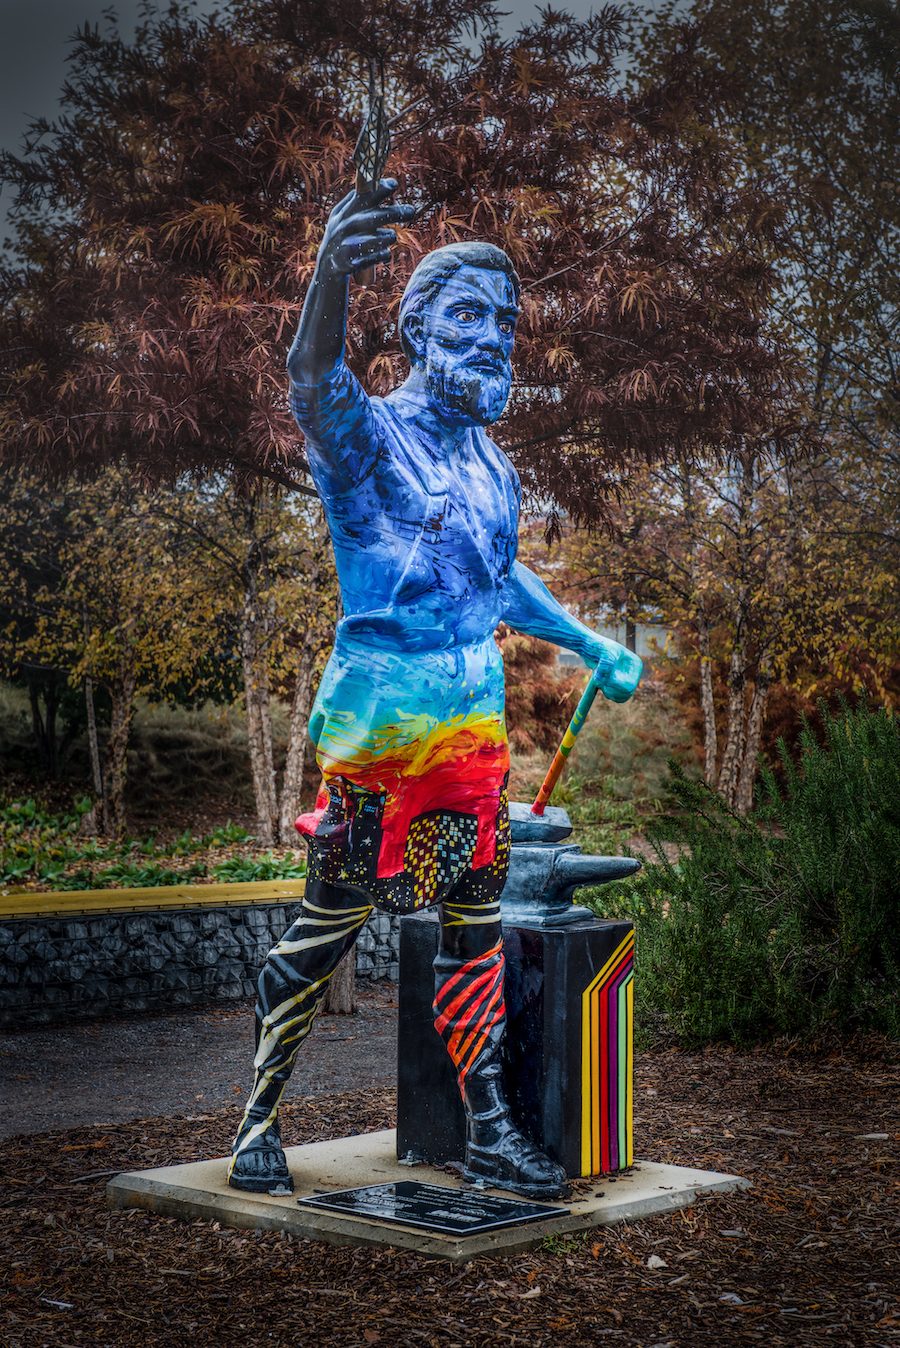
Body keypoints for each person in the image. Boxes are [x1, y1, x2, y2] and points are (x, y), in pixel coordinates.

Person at [228, 180, 642, 1199]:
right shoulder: (369, 440)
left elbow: (499, 576)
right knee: (329, 926)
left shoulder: (494, 468)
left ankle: (491, 1128)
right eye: (468, 315)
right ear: (416, 329)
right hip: (378, 736)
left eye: (504, 320)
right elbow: (310, 376)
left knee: (473, 932)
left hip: (469, 741)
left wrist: (589, 639)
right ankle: (258, 1119)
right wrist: (330, 272)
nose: (495, 336)